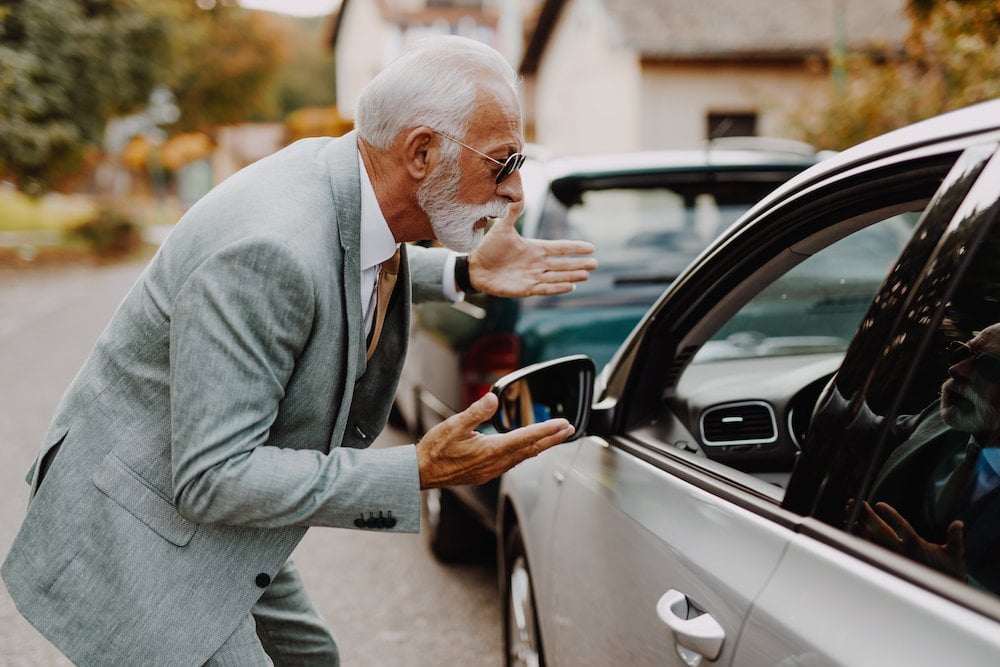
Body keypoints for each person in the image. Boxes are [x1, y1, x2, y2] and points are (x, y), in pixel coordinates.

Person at [1, 36, 597, 666]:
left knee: (312, 659)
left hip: (206, 506)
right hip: (138, 521)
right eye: (502, 164)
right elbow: (211, 478)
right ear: (421, 152)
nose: (516, 193)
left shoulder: (349, 180)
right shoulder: (268, 250)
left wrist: (464, 274)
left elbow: (345, 262)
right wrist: (418, 470)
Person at [856, 323, 1000, 592]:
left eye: (989, 366)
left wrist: (958, 586)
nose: (956, 369)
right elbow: (870, 431)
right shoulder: (943, 417)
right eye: (961, 352)